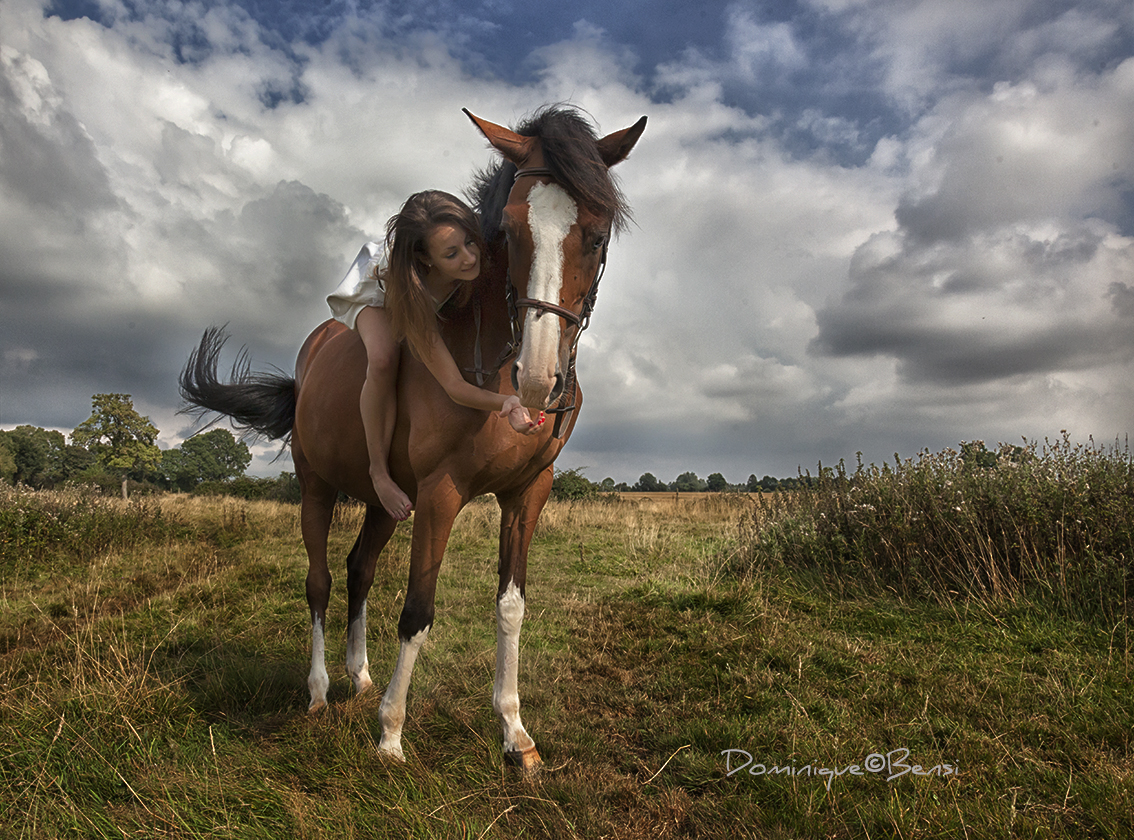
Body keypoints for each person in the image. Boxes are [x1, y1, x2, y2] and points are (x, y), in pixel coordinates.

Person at [328, 190, 544, 521]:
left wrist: (512, 401)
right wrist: (501, 403)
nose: (469, 258)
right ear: (429, 259)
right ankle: (378, 472)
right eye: (452, 254)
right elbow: (453, 385)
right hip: (377, 291)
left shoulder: (470, 250)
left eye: (469, 243)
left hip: (419, 266)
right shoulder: (414, 298)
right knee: (384, 358)